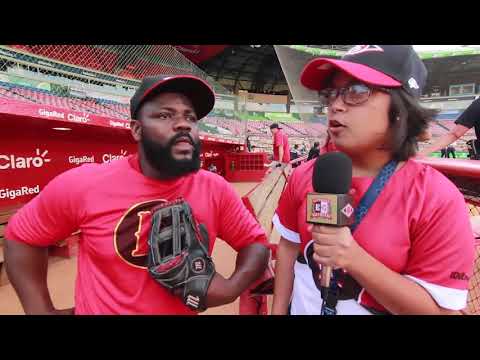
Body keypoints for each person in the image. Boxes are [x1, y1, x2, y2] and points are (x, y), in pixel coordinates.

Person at [4, 74, 270, 315]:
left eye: (190, 117)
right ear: (136, 129)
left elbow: (255, 242)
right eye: (165, 115)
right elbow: (22, 235)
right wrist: (40, 309)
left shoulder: (215, 188)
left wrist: (232, 287)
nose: (183, 125)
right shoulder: (86, 183)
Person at [272, 45, 475, 315]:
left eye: (356, 92)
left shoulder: (437, 198)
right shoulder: (304, 175)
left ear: (401, 108)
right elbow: (287, 249)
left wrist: (353, 258)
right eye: (331, 93)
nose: (335, 105)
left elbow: (441, 312)